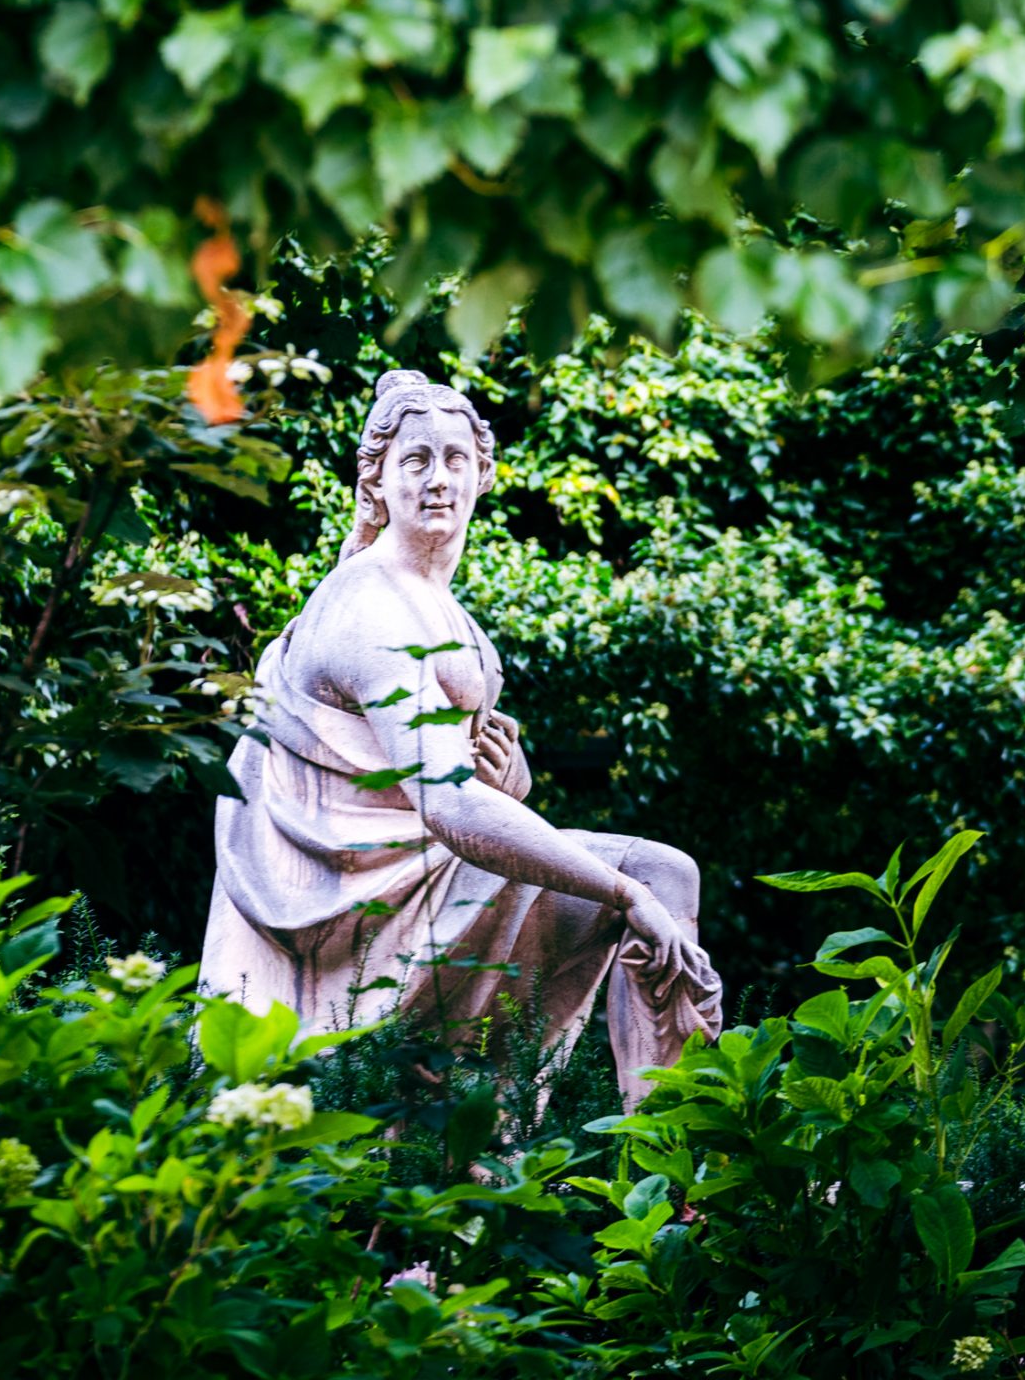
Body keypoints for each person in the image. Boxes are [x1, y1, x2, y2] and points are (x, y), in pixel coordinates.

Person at [202, 369, 720, 1107]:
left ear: (483, 475)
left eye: (455, 459)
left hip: (421, 871)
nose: (438, 479)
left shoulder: (446, 616)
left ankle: (677, 1162)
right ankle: (682, 1167)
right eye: (415, 460)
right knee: (651, 882)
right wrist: (619, 889)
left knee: (666, 876)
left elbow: (426, 779)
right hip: (362, 906)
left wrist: (508, 783)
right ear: (375, 482)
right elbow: (447, 806)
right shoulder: (371, 607)